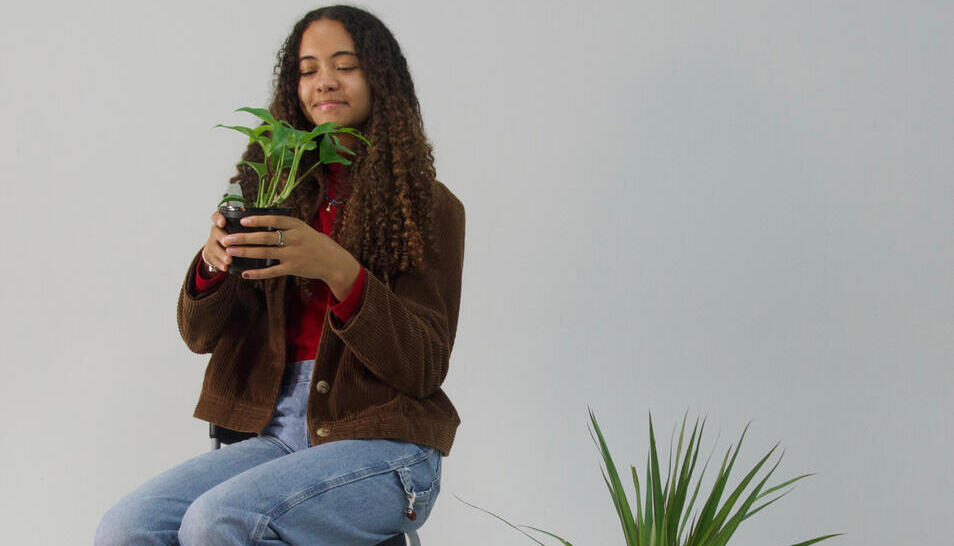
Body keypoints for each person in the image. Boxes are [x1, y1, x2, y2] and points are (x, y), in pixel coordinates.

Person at [95, 5, 464, 545]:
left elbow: (424, 366)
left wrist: (338, 270)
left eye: (345, 65)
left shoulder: (427, 207)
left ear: (380, 79)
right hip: (279, 433)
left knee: (219, 521)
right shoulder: (273, 193)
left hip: (388, 441)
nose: (324, 82)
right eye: (308, 70)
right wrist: (213, 263)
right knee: (126, 528)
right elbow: (198, 335)